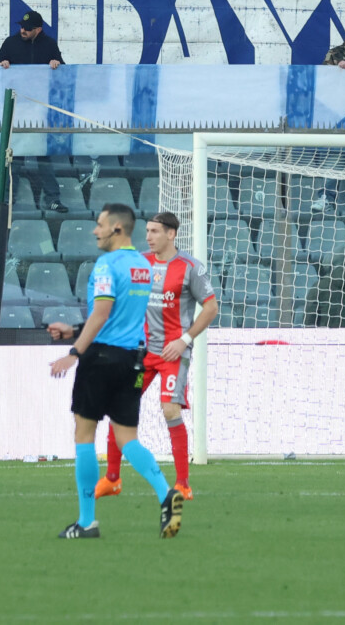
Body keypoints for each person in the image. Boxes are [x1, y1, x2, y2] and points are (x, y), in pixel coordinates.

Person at [46, 202, 181, 539]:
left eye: (100, 225)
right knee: (127, 438)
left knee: (84, 434)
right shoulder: (142, 265)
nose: (96, 231)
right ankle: (166, 492)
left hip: (100, 359)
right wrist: (75, 329)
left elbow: (103, 313)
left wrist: (75, 351)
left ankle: (87, 521)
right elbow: (118, 317)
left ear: (117, 229)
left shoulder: (107, 265)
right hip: (133, 359)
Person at [100, 211, 218, 502]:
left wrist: (184, 339)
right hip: (141, 353)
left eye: (154, 231)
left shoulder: (190, 267)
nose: (148, 236)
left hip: (171, 353)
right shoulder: (139, 263)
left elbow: (212, 307)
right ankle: (113, 479)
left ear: (171, 234)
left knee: (170, 410)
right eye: (148, 231)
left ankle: (183, 484)